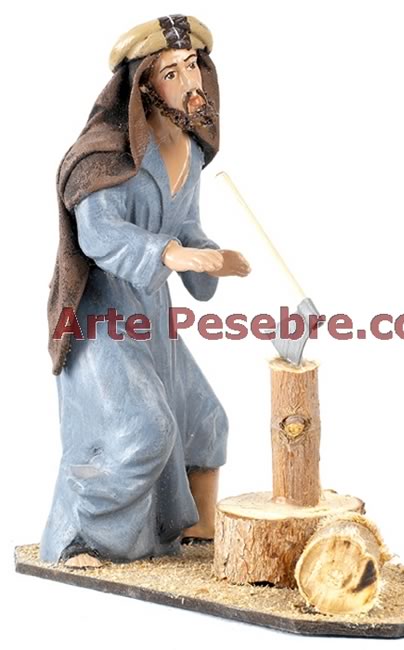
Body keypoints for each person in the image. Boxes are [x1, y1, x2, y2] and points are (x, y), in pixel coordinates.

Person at [41, 14, 250, 568]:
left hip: (150, 312)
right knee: (141, 431)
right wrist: (170, 255)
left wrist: (213, 259)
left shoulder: (191, 151)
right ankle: (82, 540)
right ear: (144, 86)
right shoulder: (103, 156)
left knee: (205, 417)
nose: (190, 83)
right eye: (171, 73)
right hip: (99, 316)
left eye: (192, 66)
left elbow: (186, 226)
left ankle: (195, 531)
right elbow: (99, 233)